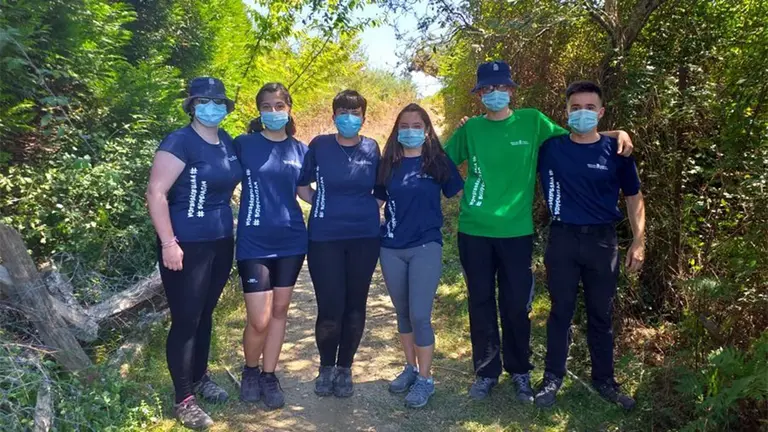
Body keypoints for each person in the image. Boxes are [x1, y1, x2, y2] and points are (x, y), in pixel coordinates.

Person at [445, 61, 634, 403]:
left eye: (501, 87)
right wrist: (462, 194)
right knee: (481, 302)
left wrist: (616, 133)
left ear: (511, 90)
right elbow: (442, 163)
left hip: (517, 231)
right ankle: (486, 373)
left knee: (517, 305)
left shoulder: (532, 122)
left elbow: (578, 136)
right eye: (487, 88)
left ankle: (520, 371)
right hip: (474, 230)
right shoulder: (471, 128)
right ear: (479, 94)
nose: (495, 93)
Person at [534, 81, 645, 410]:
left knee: (601, 313)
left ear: (601, 112)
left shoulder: (618, 152)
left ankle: (605, 380)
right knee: (560, 311)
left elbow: (634, 197)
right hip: (563, 238)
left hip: (602, 241)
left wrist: (639, 241)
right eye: (575, 108)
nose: (582, 113)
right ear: (566, 111)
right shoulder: (550, 148)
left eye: (589, 108)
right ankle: (552, 377)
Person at [146, 77, 241, 430]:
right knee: (186, 319)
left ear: (225, 108)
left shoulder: (226, 141)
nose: (212, 108)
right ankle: (183, 398)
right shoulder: (179, 141)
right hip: (186, 245)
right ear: (192, 105)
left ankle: (200, 377)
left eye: (218, 102)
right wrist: (169, 243)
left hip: (221, 241)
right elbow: (156, 193)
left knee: (205, 313)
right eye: (204, 101)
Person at [374, 103, 464, 408]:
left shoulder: (437, 161)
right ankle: (411, 368)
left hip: (426, 246)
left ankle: (426, 379)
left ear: (426, 131)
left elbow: (461, 193)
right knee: (402, 313)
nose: (410, 131)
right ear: (396, 130)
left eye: (416, 126)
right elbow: (375, 202)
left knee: (420, 315)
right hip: (391, 248)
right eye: (404, 126)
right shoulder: (387, 163)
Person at [297, 90, 381, 398]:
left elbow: (381, 188)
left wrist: (366, 210)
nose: (349, 117)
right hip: (324, 238)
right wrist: (324, 205)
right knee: (330, 307)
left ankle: (345, 368)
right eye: (343, 112)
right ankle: (326, 368)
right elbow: (302, 186)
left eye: (355, 112)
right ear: (333, 116)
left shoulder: (372, 147)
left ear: (363, 117)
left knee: (355, 305)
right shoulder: (319, 145)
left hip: (364, 238)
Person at [234, 83, 308, 410]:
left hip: (292, 241)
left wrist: (346, 205)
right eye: (267, 106)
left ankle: (268, 374)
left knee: (279, 311)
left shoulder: (300, 150)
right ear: (259, 110)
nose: (274, 112)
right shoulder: (243, 144)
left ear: (289, 108)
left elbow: (305, 192)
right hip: (253, 242)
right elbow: (219, 176)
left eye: (279, 106)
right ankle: (250, 370)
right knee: (259, 319)